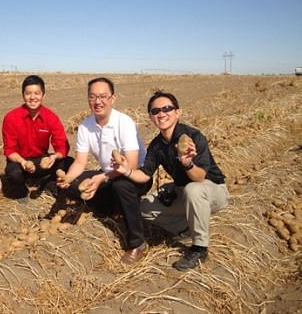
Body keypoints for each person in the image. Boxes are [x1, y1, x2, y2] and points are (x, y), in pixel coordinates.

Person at [112, 90, 229, 271]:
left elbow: (199, 177)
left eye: (167, 108)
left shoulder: (192, 137)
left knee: (194, 190)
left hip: (212, 190)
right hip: (184, 191)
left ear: (177, 112)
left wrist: (188, 164)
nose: (161, 113)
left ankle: (200, 247)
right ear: (151, 117)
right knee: (142, 207)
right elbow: (145, 174)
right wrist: (126, 170)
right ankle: (186, 228)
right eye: (155, 111)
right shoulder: (157, 145)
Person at [57, 77, 152, 264]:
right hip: (107, 174)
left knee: (121, 187)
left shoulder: (124, 122)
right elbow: (79, 162)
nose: (97, 101)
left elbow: (131, 165)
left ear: (112, 98)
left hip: (135, 176)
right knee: (76, 184)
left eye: (102, 96)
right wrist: (68, 178)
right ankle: (113, 207)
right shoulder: (85, 126)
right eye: (92, 96)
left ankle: (137, 243)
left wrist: (101, 177)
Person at [2, 75, 73, 202]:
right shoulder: (11, 118)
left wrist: (54, 157)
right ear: (23, 95)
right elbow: (9, 149)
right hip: (20, 162)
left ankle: (49, 182)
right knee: (13, 174)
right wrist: (23, 162)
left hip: (42, 161)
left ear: (43, 95)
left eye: (37, 93)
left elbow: (61, 145)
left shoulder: (51, 117)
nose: (33, 97)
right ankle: (21, 191)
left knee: (69, 162)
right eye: (28, 93)